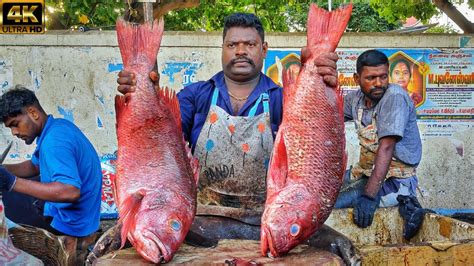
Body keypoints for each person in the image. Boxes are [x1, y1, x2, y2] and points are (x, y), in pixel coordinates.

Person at [93, 12, 357, 265]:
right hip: (199, 220)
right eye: (232, 44)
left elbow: (313, 137)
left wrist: (321, 82)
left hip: (263, 221)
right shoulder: (197, 96)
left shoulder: (281, 99)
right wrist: (139, 91)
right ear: (222, 50)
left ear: (263, 50)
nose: (240, 51)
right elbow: (159, 137)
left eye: (250, 44)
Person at [0, 86, 102, 258]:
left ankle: (78, 246)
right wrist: (4, 170)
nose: (15, 132)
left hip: (73, 225)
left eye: (15, 125)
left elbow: (70, 191)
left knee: (9, 202)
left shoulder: (55, 141)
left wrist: (11, 182)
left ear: (33, 112)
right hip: (84, 217)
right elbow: (34, 167)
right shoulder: (57, 127)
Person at [335, 50, 425, 237]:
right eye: (371, 78)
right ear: (356, 78)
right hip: (364, 171)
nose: (378, 83)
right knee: (325, 192)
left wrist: (369, 196)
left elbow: (386, 147)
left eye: (383, 77)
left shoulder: (394, 97)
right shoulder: (355, 99)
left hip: (395, 177)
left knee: (334, 205)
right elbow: (329, 118)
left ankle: (407, 202)